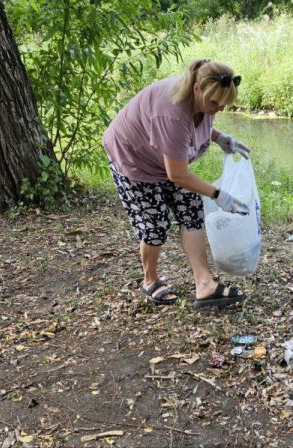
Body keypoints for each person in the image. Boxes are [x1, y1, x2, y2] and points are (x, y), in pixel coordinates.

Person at [102, 59, 252, 308]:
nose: (218, 109)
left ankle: (205, 284)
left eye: (224, 104)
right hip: (133, 157)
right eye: (215, 103)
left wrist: (218, 137)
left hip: (165, 156)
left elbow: (195, 126)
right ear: (196, 89)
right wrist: (218, 195)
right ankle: (149, 280)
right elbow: (178, 175)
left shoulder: (201, 100)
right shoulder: (171, 112)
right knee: (155, 223)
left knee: (191, 209)